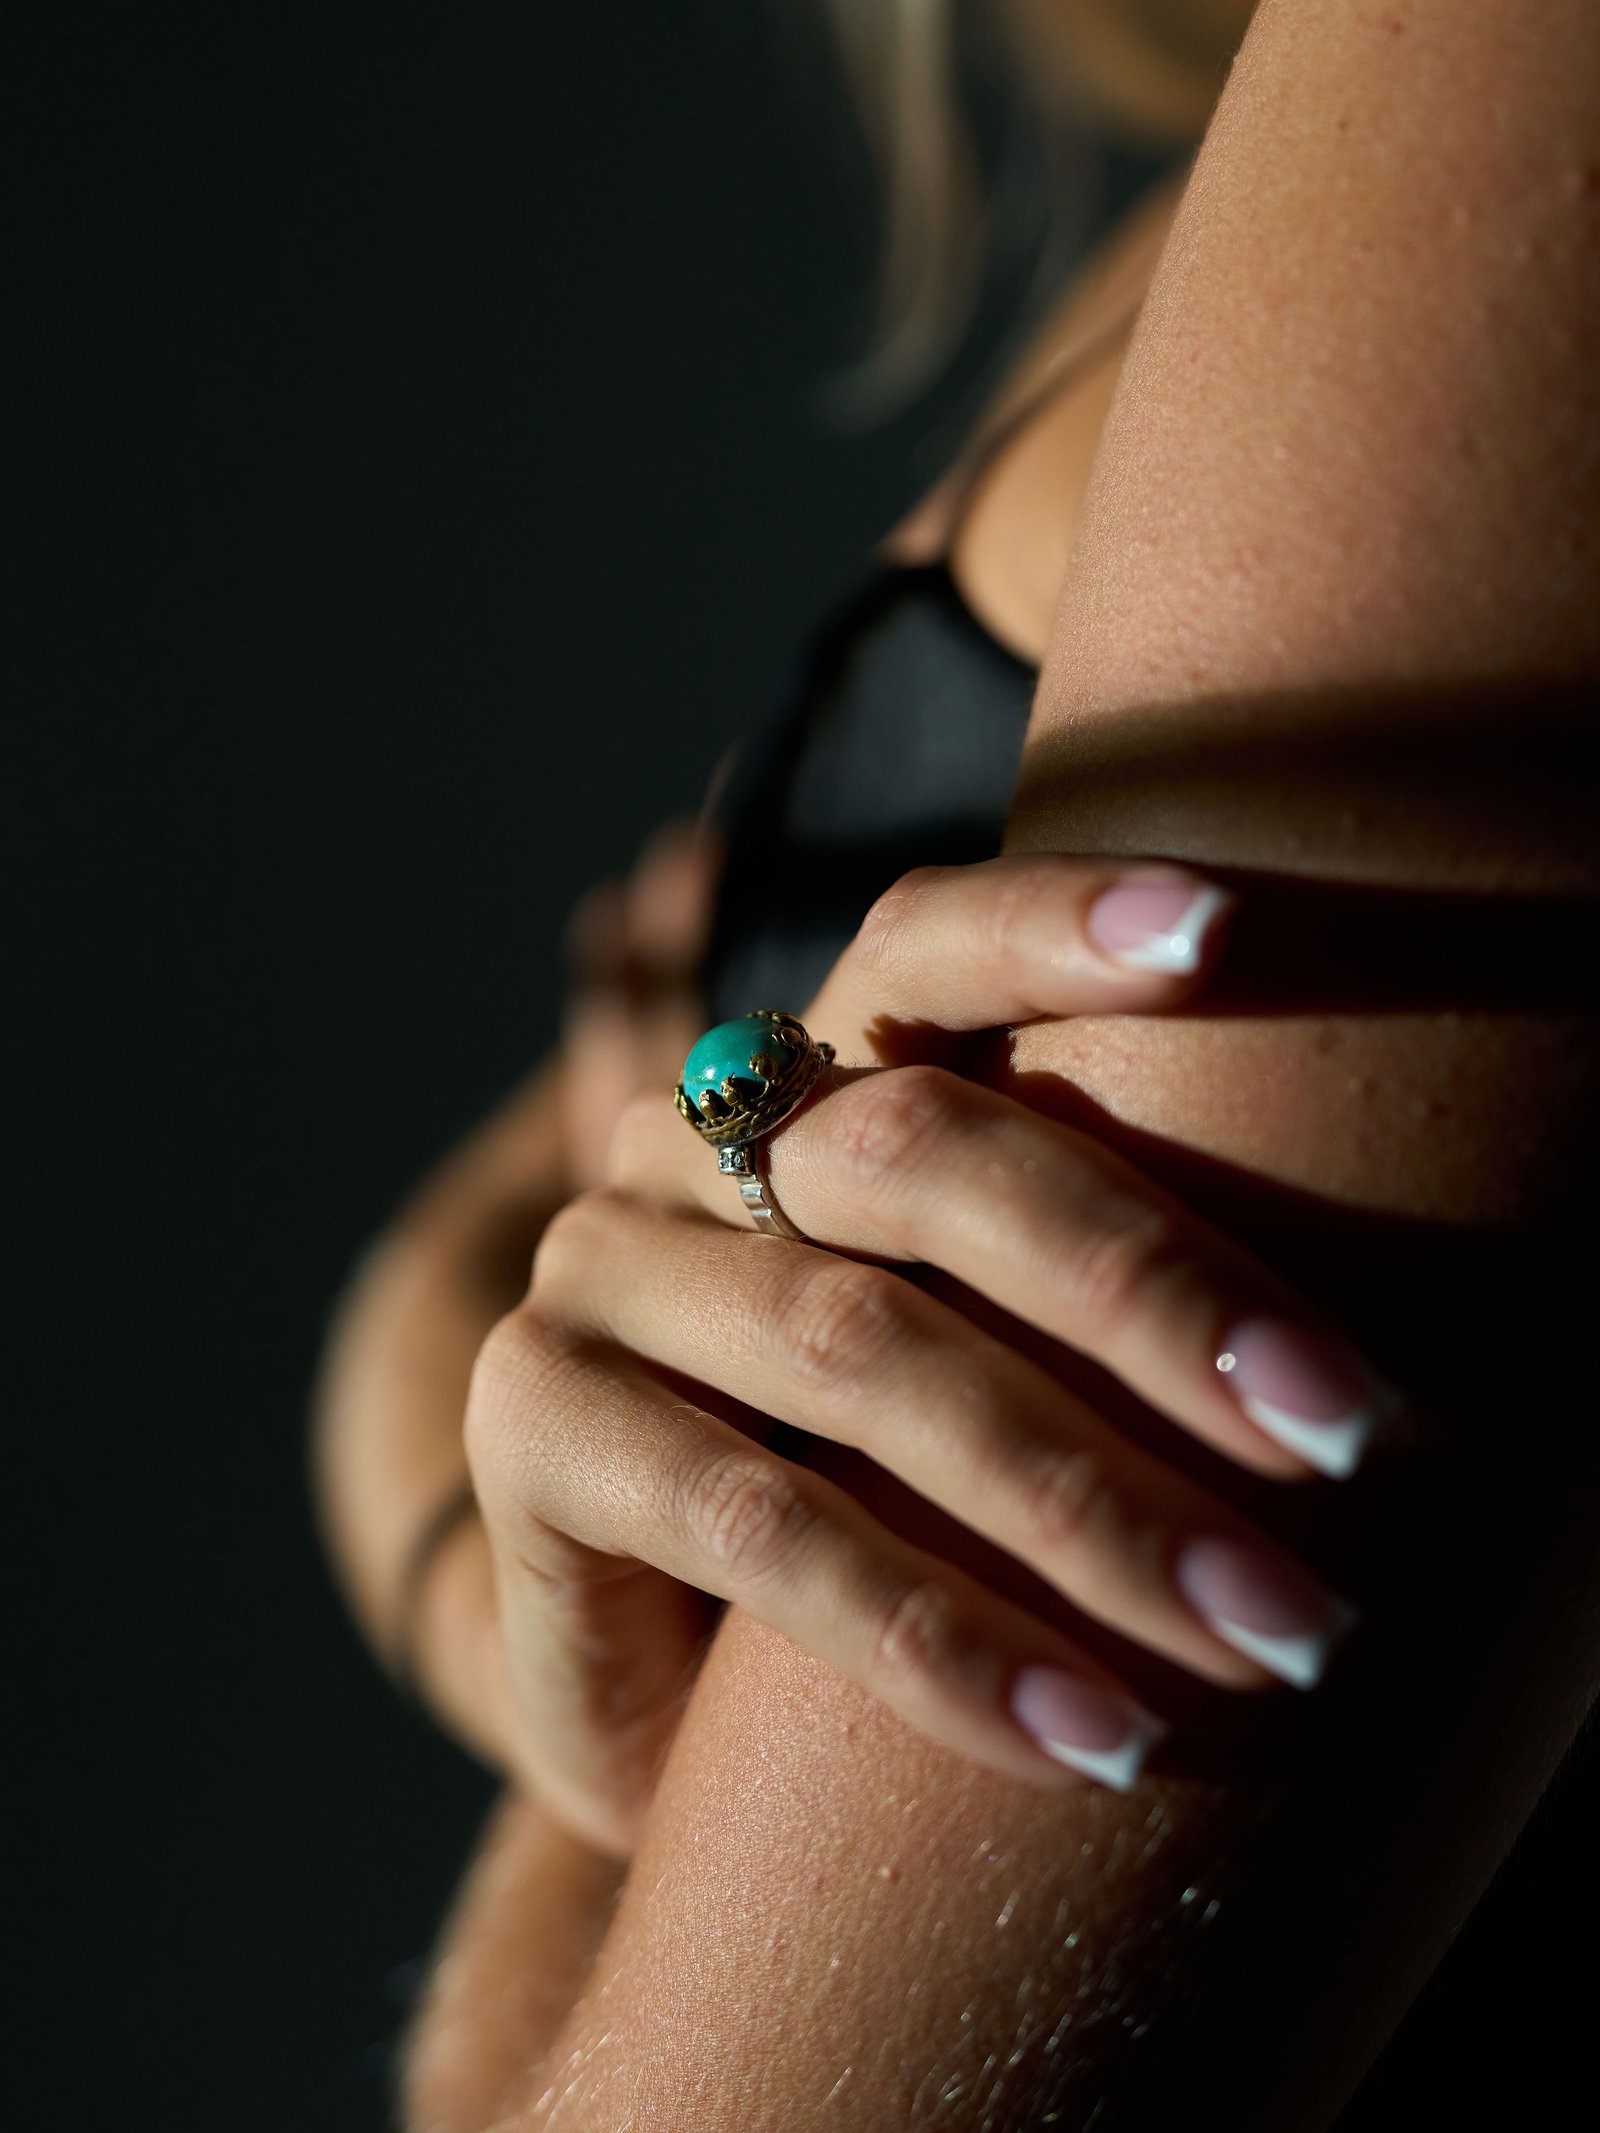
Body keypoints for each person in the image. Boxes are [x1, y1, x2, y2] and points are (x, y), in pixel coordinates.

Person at [311, 3, 1600, 2127]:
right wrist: (543, 1622)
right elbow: (469, 1243)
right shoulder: (1231, 201)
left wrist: (609, 1751)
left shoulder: (1487, 96)